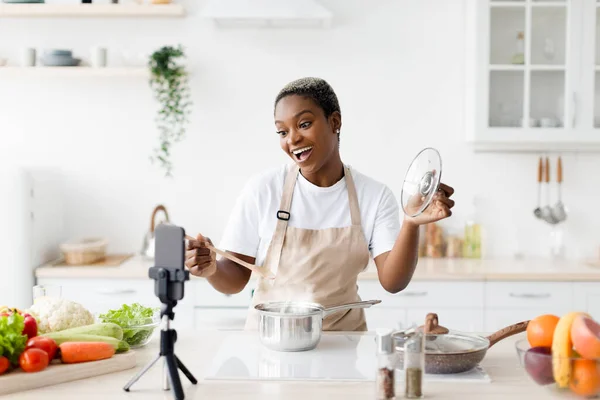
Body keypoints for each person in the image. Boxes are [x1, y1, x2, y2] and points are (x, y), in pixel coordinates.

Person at [186, 77, 455, 331]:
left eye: (304, 124)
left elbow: (393, 281)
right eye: (282, 131)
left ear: (334, 121)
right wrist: (211, 269)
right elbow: (233, 278)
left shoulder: (373, 195)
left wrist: (411, 221)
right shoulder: (263, 189)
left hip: (344, 345)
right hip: (270, 344)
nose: (291, 139)